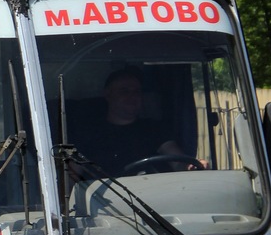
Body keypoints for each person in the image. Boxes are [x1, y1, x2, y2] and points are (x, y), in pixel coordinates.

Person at [66, 66, 199, 177]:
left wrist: (190, 166)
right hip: (102, 204)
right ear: (108, 94)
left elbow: (178, 161)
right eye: (124, 91)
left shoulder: (154, 129)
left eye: (137, 91)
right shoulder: (87, 135)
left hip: (150, 201)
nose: (132, 96)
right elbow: (71, 177)